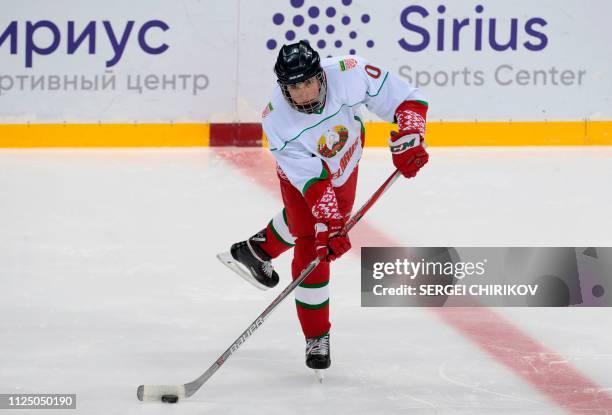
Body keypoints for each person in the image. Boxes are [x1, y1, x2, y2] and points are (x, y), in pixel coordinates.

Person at [218, 40, 429, 371]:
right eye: (293, 86)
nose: (301, 93)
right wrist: (328, 225)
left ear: (320, 75)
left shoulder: (350, 72)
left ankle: (257, 250)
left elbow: (407, 99)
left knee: (308, 226)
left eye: (307, 82)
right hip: (302, 177)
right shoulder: (276, 120)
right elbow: (314, 183)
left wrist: (411, 136)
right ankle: (316, 336)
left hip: (347, 157)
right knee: (312, 244)